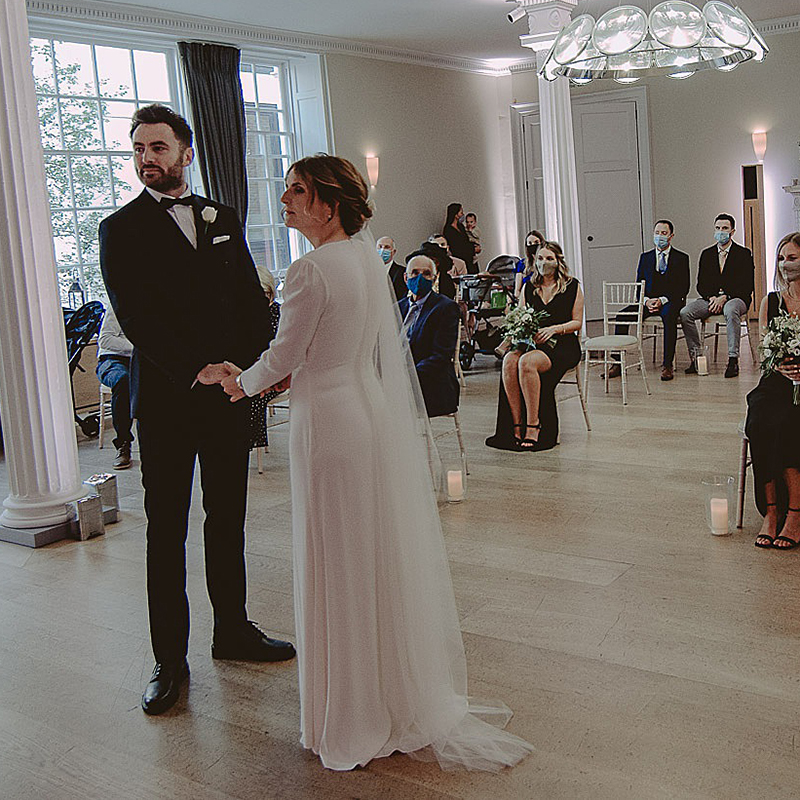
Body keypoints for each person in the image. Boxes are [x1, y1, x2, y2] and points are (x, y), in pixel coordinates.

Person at [204, 154, 532, 772]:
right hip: (366, 412)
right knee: (368, 556)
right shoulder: (364, 260)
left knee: (337, 561)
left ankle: (351, 714)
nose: (285, 201)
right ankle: (385, 695)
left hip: (328, 424)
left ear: (329, 205)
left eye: (297, 191)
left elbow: (285, 354)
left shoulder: (309, 270)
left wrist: (237, 381)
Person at [99, 104, 295, 717]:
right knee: (166, 530)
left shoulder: (220, 216)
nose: (146, 158)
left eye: (158, 147)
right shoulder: (119, 228)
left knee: (227, 517)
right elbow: (136, 318)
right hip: (166, 400)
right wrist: (196, 367)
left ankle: (232, 629)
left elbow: (249, 299)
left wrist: (251, 366)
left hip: (228, 395)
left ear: (186, 152)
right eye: (138, 149)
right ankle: (169, 659)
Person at [486, 241, 583, 452]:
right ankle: (515, 425)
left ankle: (533, 425)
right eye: (540, 258)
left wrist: (555, 329)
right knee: (509, 360)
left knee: (527, 362)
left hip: (562, 344)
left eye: (549, 258)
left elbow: (577, 322)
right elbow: (521, 316)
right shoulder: (529, 287)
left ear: (558, 261)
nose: (544, 263)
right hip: (533, 341)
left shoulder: (572, 286)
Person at [747, 232, 800, 550]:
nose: (785, 264)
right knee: (759, 421)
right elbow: (765, 350)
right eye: (781, 258)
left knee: (789, 423)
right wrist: (779, 365)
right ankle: (771, 510)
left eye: (792, 258)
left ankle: (795, 513)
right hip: (776, 381)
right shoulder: (771, 301)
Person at [606, 220, 689, 382]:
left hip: (669, 301)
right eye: (657, 233)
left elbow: (683, 287)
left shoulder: (681, 258)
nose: (660, 236)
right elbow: (639, 285)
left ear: (671, 236)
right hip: (648, 301)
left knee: (669, 317)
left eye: (664, 233)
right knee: (622, 316)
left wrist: (662, 300)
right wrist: (646, 301)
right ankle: (617, 362)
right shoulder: (645, 257)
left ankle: (667, 364)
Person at [680, 213, 755, 378]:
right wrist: (711, 297)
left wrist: (726, 297)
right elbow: (701, 284)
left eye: (725, 228)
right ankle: (697, 357)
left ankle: (733, 359)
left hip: (736, 299)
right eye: (718, 228)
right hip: (711, 299)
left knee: (730, 309)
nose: (721, 231)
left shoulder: (743, 254)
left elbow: (747, 285)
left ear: (732, 231)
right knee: (686, 313)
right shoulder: (706, 254)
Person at [398, 254, 460, 418]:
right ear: (406, 277)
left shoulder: (446, 307)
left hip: (429, 382)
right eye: (414, 273)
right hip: (396, 376)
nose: (419, 278)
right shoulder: (398, 307)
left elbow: (441, 355)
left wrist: (408, 376)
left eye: (426, 274)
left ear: (434, 278)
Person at [95, 304, 134, 469]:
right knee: (123, 380)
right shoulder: (117, 305)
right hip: (112, 359)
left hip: (141, 360)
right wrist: (138, 345)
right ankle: (123, 443)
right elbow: (105, 339)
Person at [248, 265, 283, 450]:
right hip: (254, 367)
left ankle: (250, 442)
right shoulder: (248, 315)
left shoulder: (279, 314)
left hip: (275, 371)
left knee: (252, 396)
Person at [442, 202, 477, 274]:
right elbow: (457, 247)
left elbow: (466, 241)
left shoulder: (461, 226)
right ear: (455, 214)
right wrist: (473, 249)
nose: (463, 214)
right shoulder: (448, 230)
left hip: (469, 258)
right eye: (461, 212)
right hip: (460, 258)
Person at [514, 230, 545, 299]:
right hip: (526, 299)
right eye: (530, 243)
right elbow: (517, 291)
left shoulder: (546, 263)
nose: (533, 245)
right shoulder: (522, 264)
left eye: (536, 242)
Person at [376, 236, 407, 301]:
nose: (382, 250)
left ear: (394, 252)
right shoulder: (368, 271)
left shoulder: (402, 272)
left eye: (387, 247)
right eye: (380, 246)